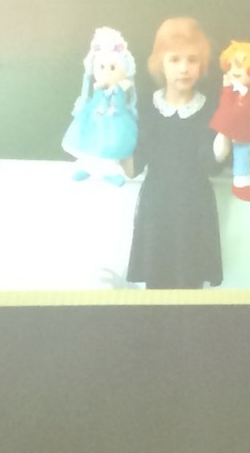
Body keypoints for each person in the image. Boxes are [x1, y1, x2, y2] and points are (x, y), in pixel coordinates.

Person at [125, 17, 223, 289]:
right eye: (174, 59)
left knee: (191, 289)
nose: (184, 68)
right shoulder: (145, 108)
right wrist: (110, 138)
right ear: (161, 64)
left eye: (192, 60)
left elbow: (212, 165)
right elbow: (134, 166)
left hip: (195, 210)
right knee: (155, 291)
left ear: (201, 65)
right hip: (156, 209)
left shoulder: (211, 109)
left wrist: (229, 132)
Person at [61, 26, 138, 186]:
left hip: (114, 120)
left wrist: (115, 90)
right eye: (102, 67)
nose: (107, 72)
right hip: (94, 119)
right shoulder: (97, 86)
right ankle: (87, 167)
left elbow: (120, 102)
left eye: (113, 68)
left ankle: (109, 172)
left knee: (111, 146)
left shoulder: (122, 86)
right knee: (88, 142)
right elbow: (94, 99)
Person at [209, 40, 250, 202]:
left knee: (241, 153)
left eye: (242, 66)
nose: (235, 71)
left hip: (238, 128)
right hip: (233, 126)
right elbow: (232, 104)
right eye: (231, 66)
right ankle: (241, 184)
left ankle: (241, 184)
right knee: (237, 150)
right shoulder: (238, 92)